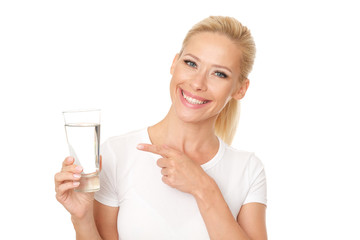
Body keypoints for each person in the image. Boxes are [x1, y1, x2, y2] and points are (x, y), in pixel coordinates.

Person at [55, 16, 267, 240]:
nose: (197, 83)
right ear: (174, 63)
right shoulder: (118, 154)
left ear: (240, 89)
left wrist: (203, 187)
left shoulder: (248, 170)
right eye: (191, 63)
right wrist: (81, 219)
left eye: (219, 74)